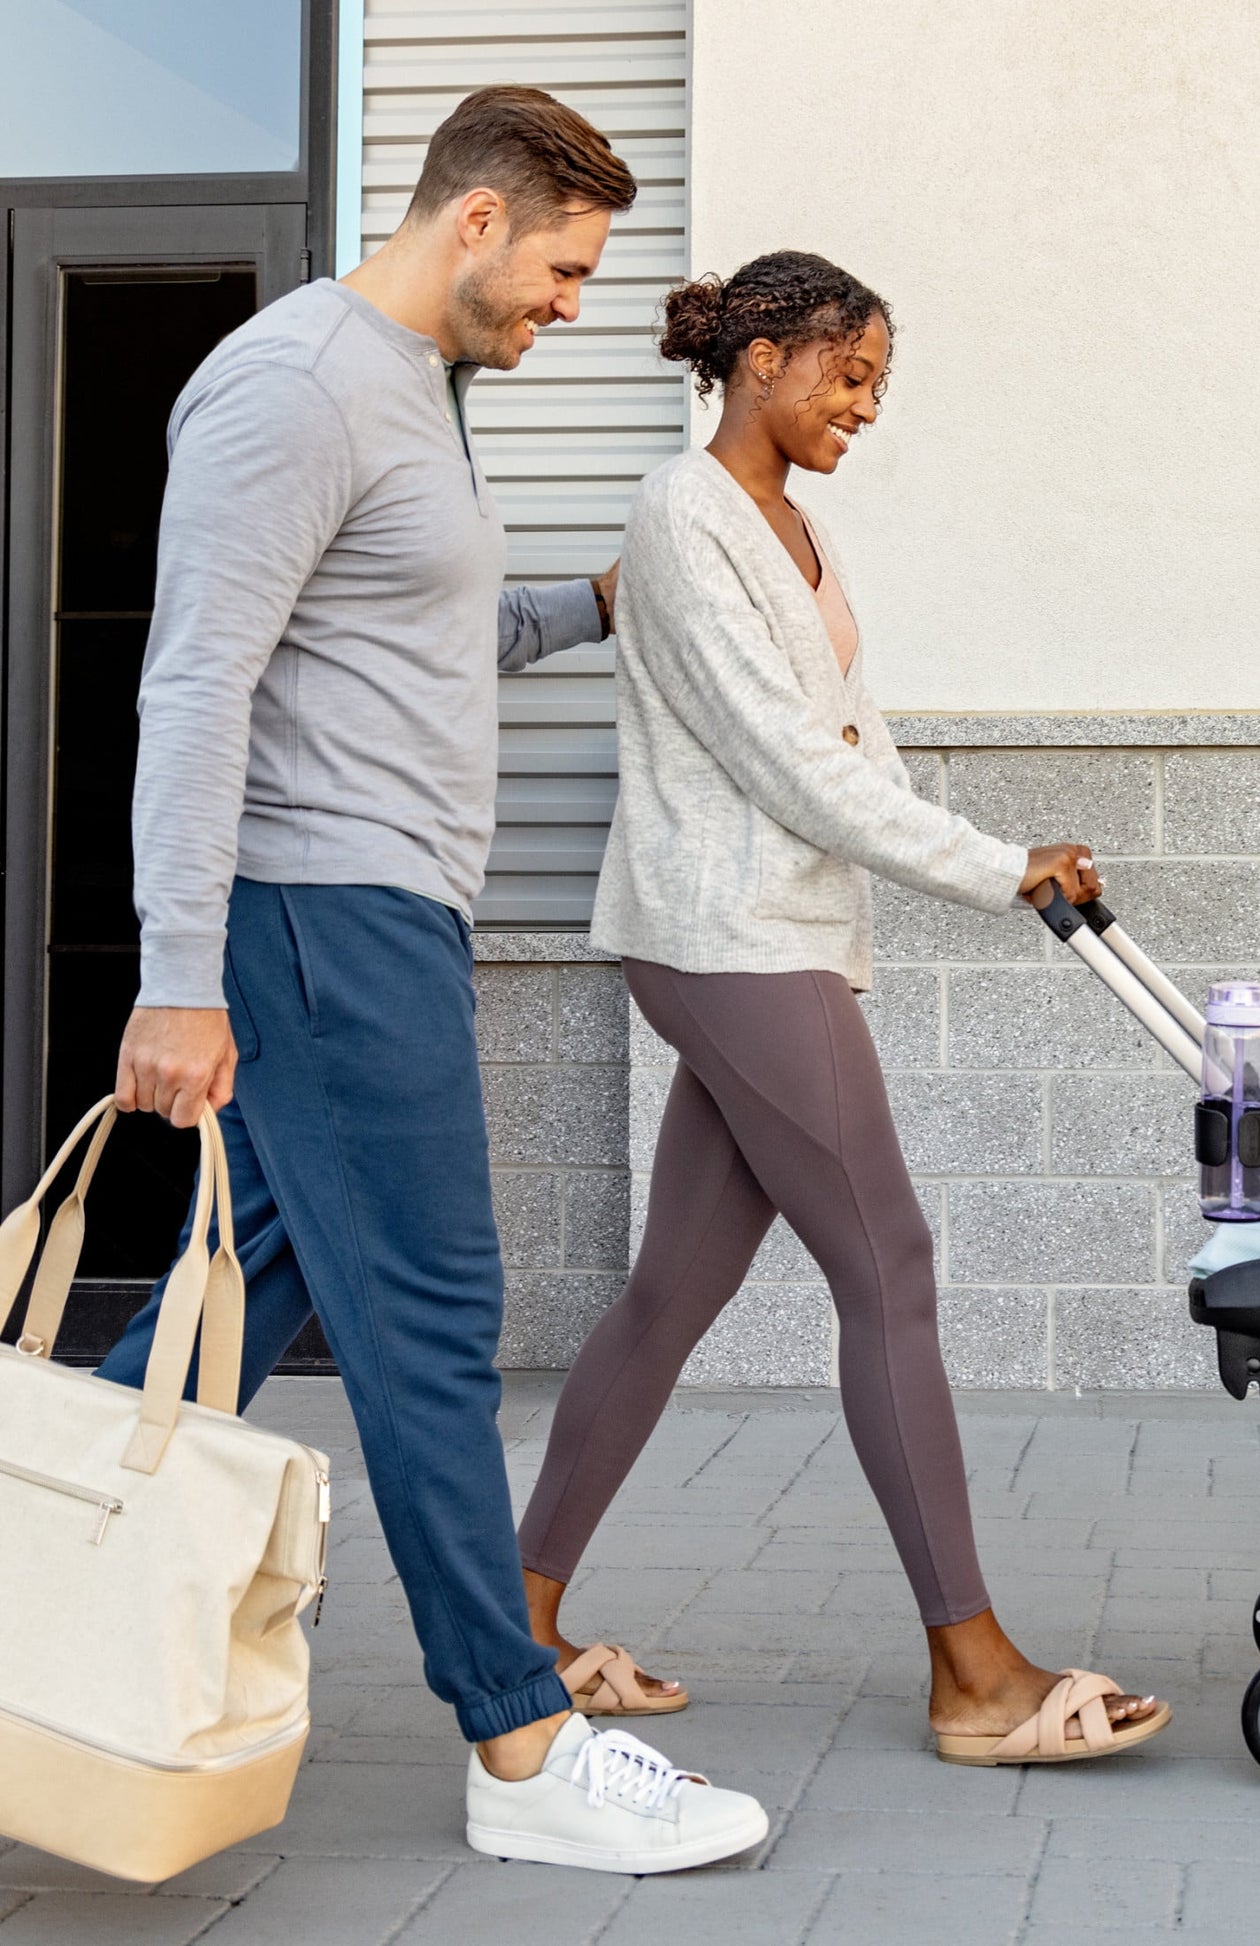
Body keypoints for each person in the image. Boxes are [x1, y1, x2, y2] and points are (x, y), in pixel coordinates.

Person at [104, 85, 766, 1873]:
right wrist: (180, 975)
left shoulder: (414, 394)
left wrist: (599, 607)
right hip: (320, 912)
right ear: (474, 220)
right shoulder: (297, 382)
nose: (567, 305)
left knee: (229, 1307)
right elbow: (196, 683)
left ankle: (37, 1604)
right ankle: (518, 1735)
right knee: (435, 1322)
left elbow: (418, 626)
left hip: (377, 915)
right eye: (560, 269)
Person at [516, 252, 1172, 1767]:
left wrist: (992, 854)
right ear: (759, 356)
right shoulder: (683, 519)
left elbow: (848, 749)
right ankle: (974, 1672)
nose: (864, 407)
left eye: (877, 383)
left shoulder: (789, 527)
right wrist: (998, 869)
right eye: (846, 374)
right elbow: (785, 767)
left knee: (671, 1293)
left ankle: (515, 1619)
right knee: (895, 1267)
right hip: (736, 939)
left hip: (770, 932)